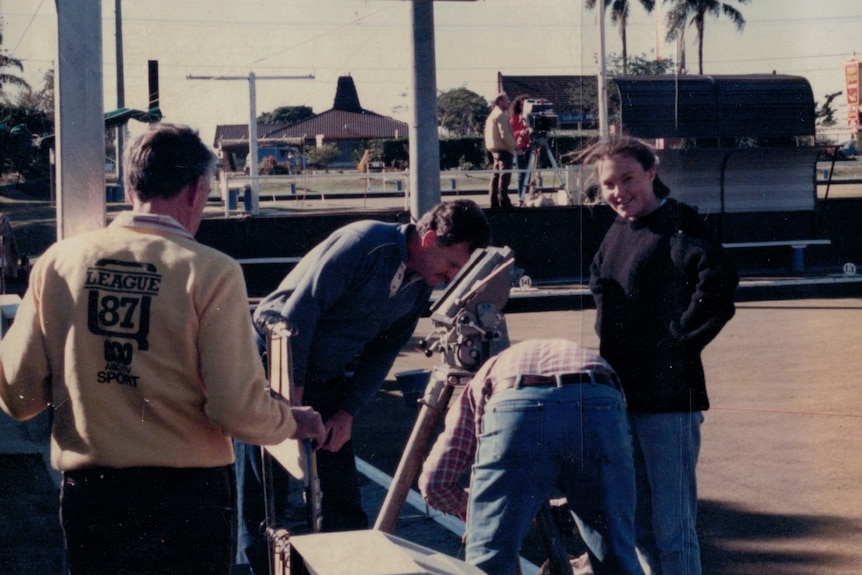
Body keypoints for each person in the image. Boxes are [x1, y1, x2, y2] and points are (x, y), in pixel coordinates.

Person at [0, 123, 327, 575]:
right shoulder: (212, 272)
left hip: (91, 492)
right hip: (188, 500)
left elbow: (18, 396)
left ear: (132, 185)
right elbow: (235, 409)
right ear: (195, 190)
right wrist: (291, 420)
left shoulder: (58, 261)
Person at [236, 199, 492, 575]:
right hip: (273, 361)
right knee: (265, 493)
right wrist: (291, 403)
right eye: (452, 264)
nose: (452, 277)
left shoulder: (420, 286)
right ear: (429, 239)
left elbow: (383, 351)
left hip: (325, 375)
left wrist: (347, 412)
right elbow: (299, 316)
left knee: (342, 494)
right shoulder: (364, 243)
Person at [584, 135, 739, 575]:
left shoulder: (680, 224)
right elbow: (603, 299)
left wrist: (672, 347)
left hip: (669, 402)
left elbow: (718, 288)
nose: (618, 192)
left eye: (628, 179)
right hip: (621, 398)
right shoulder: (615, 233)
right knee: (639, 526)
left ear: (651, 172)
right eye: (608, 185)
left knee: (672, 529)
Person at [418, 338, 645, 575]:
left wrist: (475, 508)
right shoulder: (587, 360)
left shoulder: (483, 379)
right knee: (617, 557)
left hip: (514, 404)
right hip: (599, 397)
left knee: (487, 563)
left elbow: (435, 483)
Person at [484, 92, 516, 209]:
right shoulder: (501, 115)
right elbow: (505, 135)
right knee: (504, 176)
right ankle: (504, 202)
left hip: (494, 148)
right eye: (506, 100)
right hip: (503, 149)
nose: (508, 102)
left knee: (496, 176)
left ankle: (494, 202)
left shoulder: (493, 114)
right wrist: (515, 146)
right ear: (500, 102)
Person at [509, 95, 531, 207]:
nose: (523, 107)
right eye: (522, 104)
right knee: (522, 174)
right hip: (520, 148)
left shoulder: (530, 117)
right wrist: (520, 133)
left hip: (530, 146)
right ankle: (520, 198)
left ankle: (531, 196)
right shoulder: (514, 118)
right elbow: (511, 133)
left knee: (531, 174)